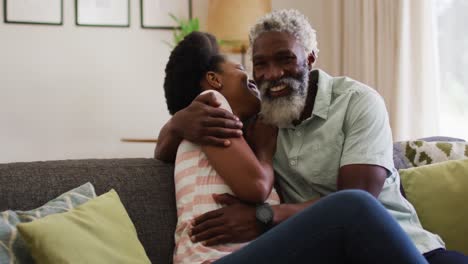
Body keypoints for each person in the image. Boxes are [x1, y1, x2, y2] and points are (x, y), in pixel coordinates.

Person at [157, 10, 468, 264]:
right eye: (260, 64)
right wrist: (178, 123)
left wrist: (265, 215)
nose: (272, 74)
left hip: (408, 245)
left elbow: (359, 196)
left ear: (310, 59)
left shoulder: (357, 101)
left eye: (285, 59)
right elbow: (182, 150)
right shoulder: (255, 119)